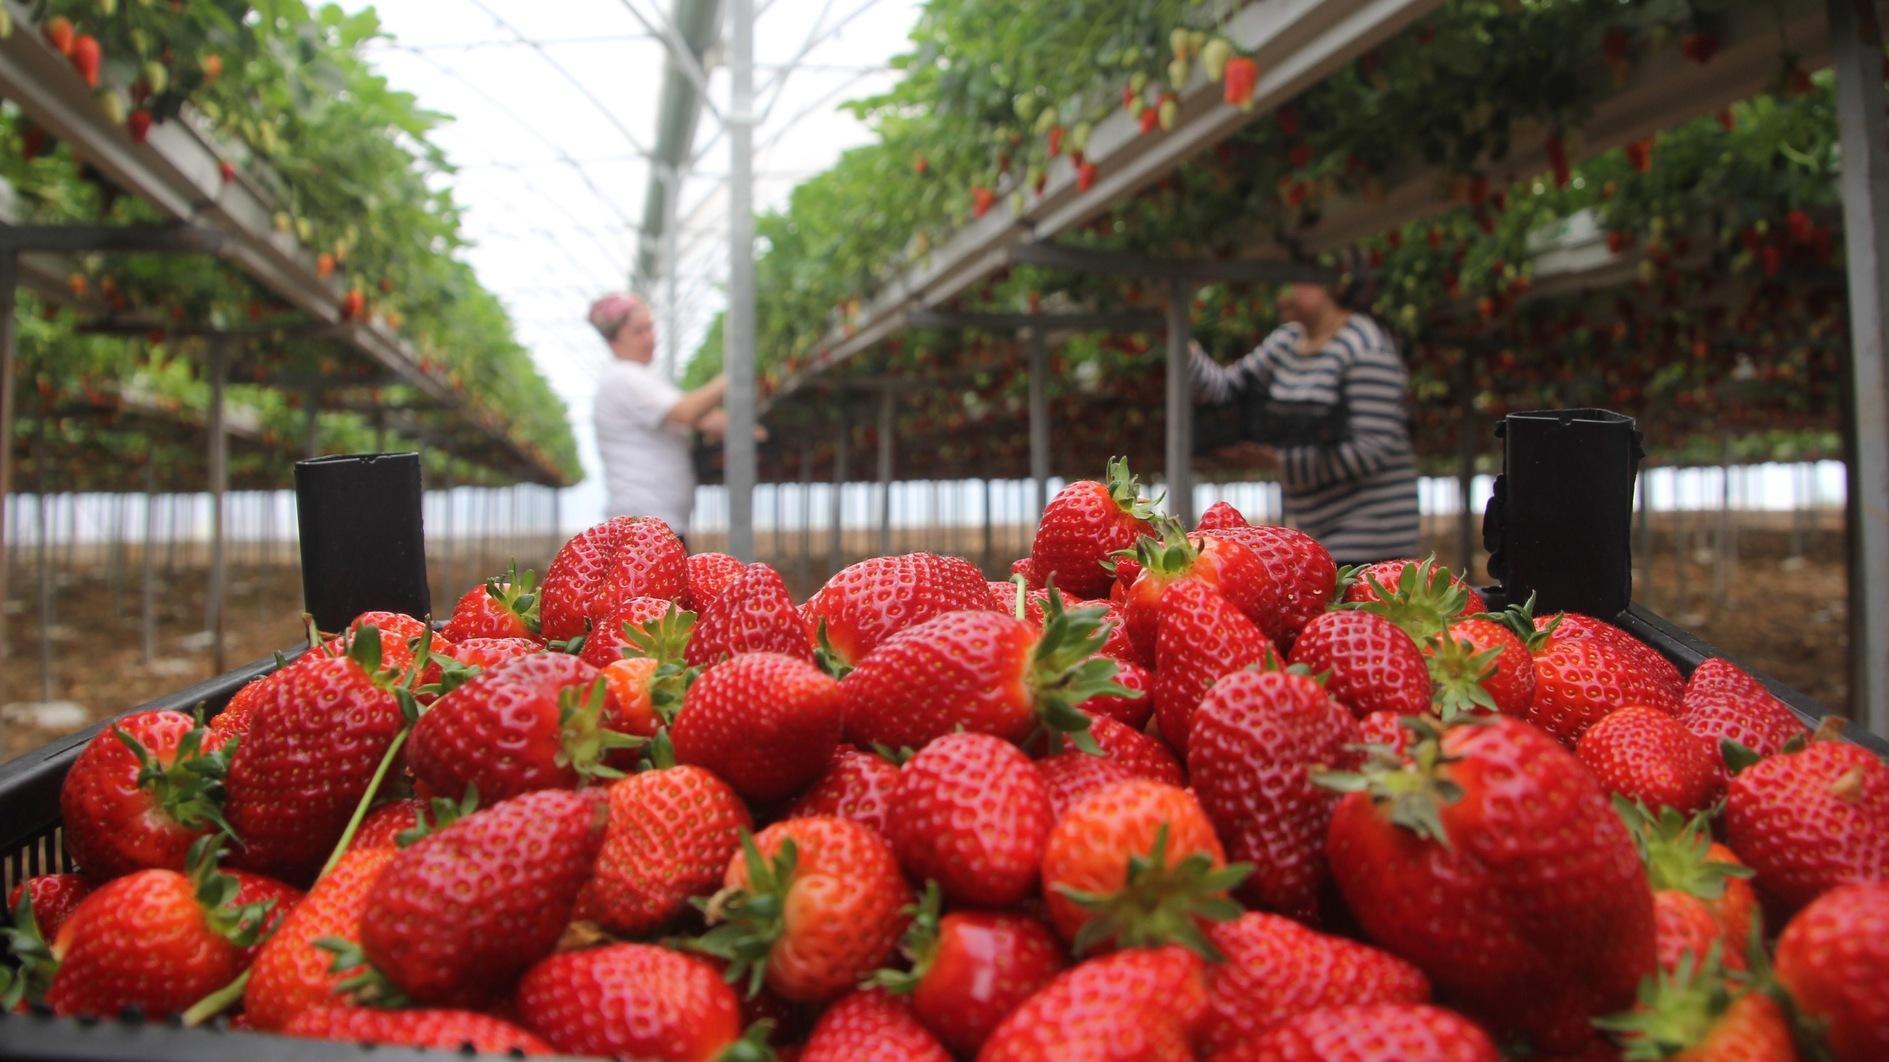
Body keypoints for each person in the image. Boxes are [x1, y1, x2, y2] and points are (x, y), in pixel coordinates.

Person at [1189, 256, 1421, 566]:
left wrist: (1278, 461)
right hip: (1320, 534)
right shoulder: (1286, 342)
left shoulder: (1365, 346)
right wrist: (1182, 346)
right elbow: (1226, 390)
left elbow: (1371, 448)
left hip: (1373, 537)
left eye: (1293, 280)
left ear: (1329, 283)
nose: (1280, 292)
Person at [587, 292, 730, 541]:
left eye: (650, 329)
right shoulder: (624, 378)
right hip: (643, 530)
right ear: (614, 341)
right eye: (638, 332)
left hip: (656, 526)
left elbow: (703, 418)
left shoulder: (643, 379)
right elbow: (687, 412)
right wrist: (732, 377)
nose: (649, 338)